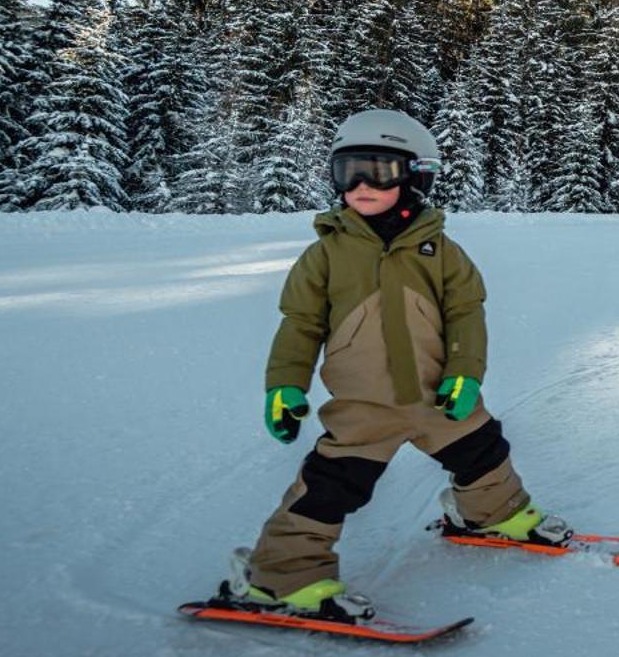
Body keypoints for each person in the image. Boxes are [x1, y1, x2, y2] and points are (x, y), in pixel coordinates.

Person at [219, 109, 572, 622]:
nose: (360, 185)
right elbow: (299, 325)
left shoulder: (441, 251)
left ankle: (494, 516)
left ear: (415, 176)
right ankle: (282, 578)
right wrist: (284, 387)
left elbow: (465, 314)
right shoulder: (325, 255)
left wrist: (466, 374)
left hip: (437, 397)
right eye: (347, 172)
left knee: (484, 452)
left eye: (377, 171)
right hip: (365, 407)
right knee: (331, 488)